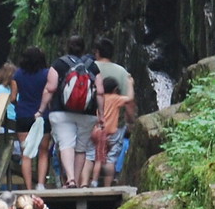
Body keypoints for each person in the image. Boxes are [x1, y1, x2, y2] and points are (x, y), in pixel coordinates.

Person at [47, 36, 100, 189]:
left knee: (66, 144)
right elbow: (101, 91)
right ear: (84, 49)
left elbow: (50, 88)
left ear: (67, 47)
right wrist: (101, 114)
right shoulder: (92, 66)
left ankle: (70, 179)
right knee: (81, 148)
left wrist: (42, 109)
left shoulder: (59, 63)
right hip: (87, 113)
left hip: (61, 111)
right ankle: (75, 181)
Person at [12, 48, 51, 190]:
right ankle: (40, 184)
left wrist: (20, 105)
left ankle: (28, 188)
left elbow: (12, 97)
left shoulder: (17, 75)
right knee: (43, 151)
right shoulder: (46, 74)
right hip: (42, 115)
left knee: (26, 154)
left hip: (23, 116)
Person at [92, 78, 136, 187]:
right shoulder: (115, 98)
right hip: (112, 133)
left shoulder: (98, 98)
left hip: (98, 131)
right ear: (115, 89)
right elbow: (130, 99)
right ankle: (107, 186)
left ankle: (93, 181)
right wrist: (130, 84)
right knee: (110, 160)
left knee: (97, 158)